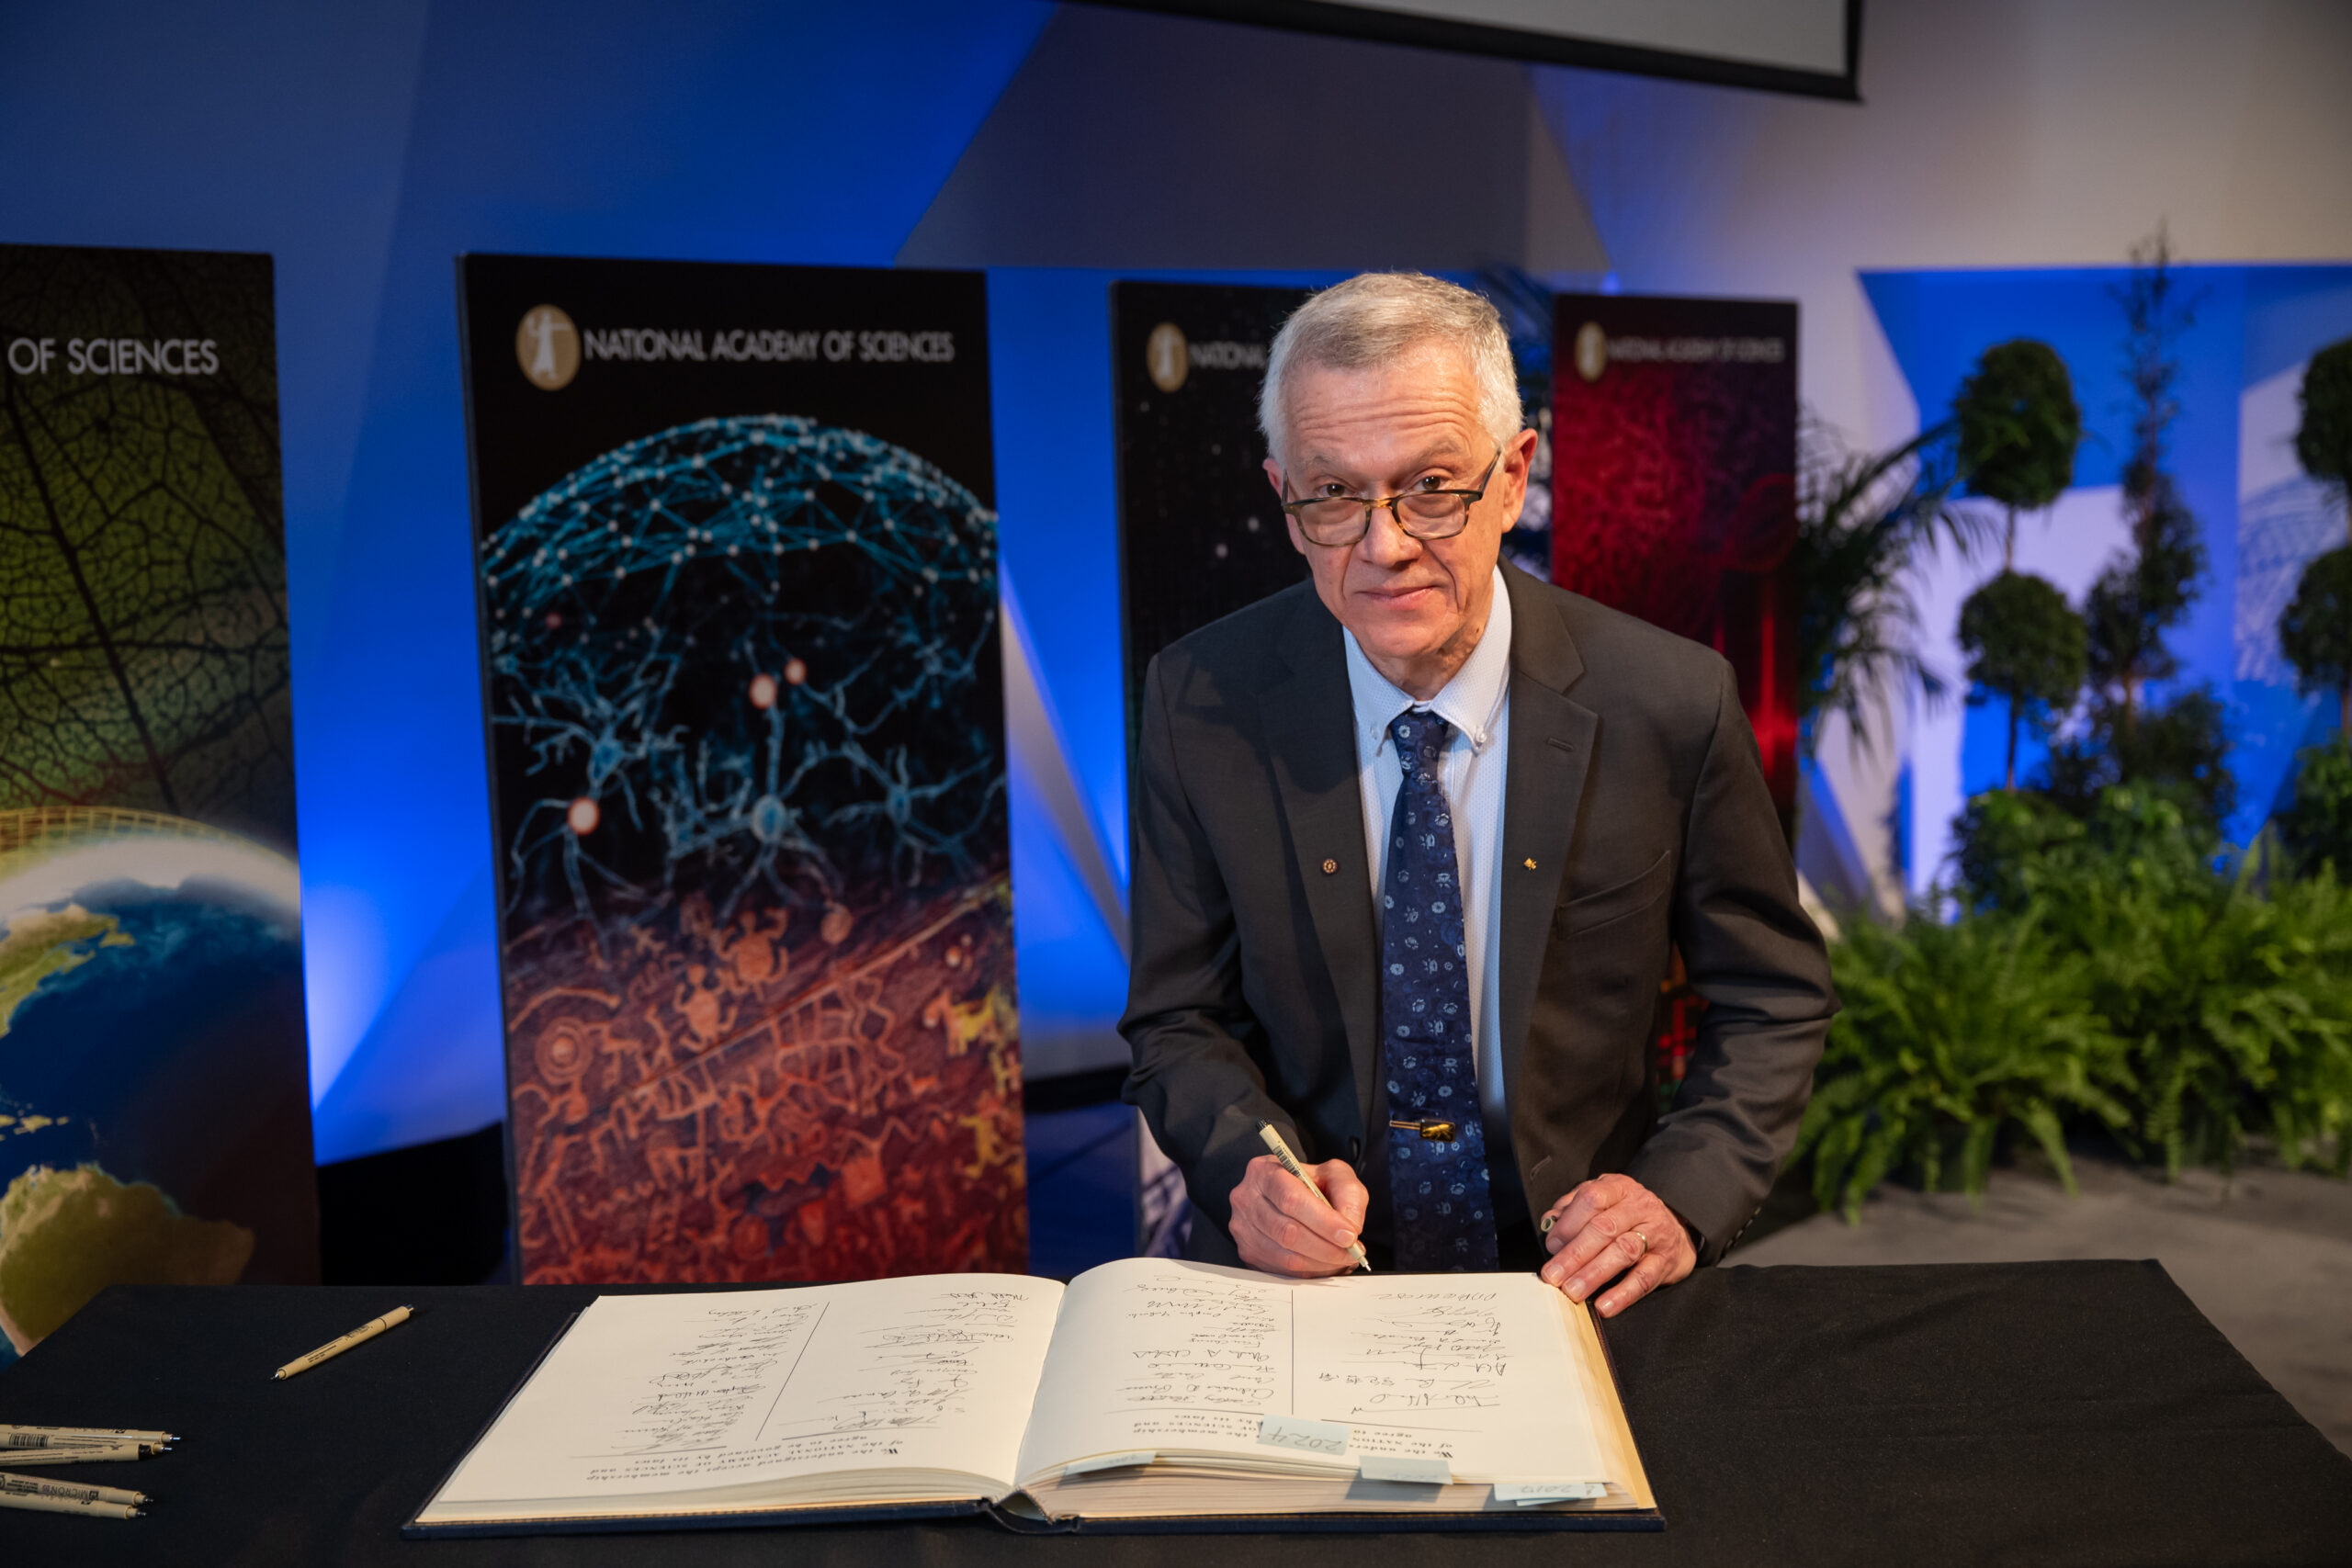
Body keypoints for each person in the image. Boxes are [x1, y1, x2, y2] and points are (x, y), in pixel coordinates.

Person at [1120, 272, 1836, 1316]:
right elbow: (1179, 1015)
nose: (1384, 544)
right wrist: (1247, 1169)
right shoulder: (1199, 700)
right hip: (1307, 1287)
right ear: (1283, 496)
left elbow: (1772, 994)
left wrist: (1678, 1197)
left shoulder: (1669, 702)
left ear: (1514, 478)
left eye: (1431, 487)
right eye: (1333, 494)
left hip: (1577, 1280)